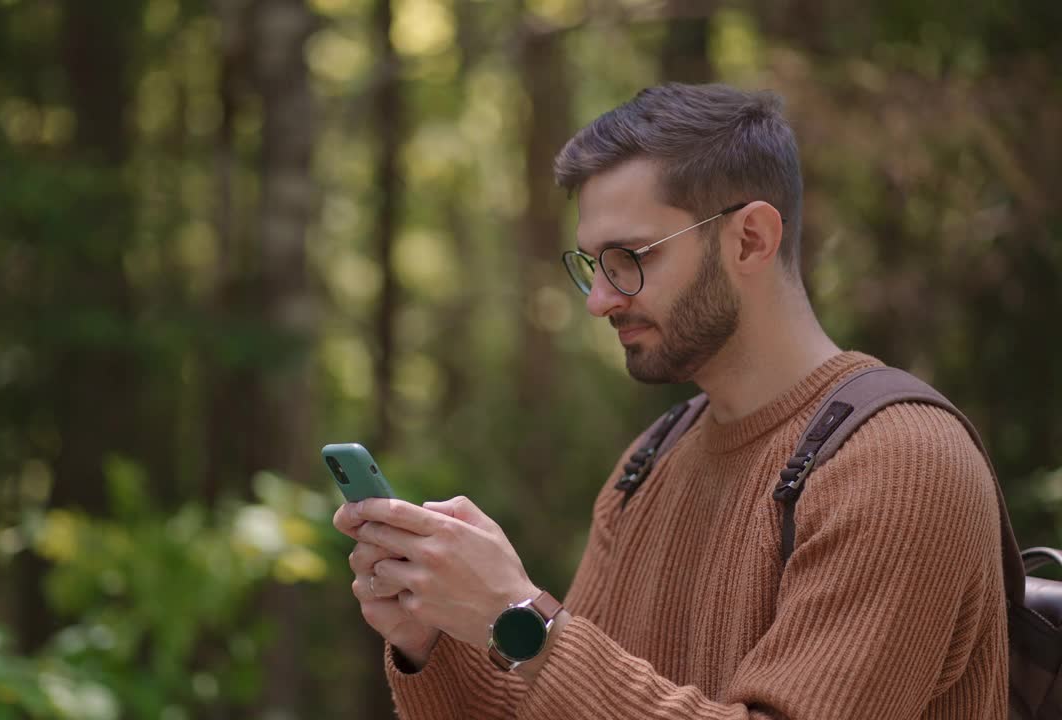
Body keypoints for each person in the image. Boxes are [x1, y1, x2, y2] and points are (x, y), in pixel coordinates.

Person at [331, 83, 1008, 719]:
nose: (600, 299)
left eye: (629, 258)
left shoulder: (902, 465)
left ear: (751, 238)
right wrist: (439, 638)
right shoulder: (649, 463)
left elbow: (558, 662)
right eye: (592, 265)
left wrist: (520, 618)